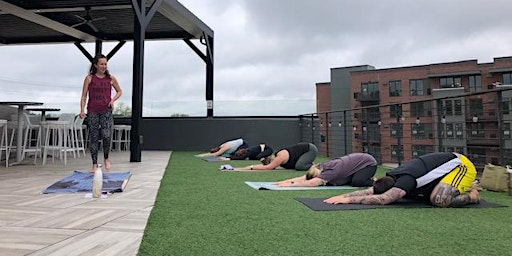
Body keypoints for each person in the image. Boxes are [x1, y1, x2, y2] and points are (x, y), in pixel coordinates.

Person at [323, 152, 481, 207]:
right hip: (442, 172)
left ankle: (472, 194)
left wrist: (349, 201)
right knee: (419, 195)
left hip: (461, 166)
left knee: (439, 200)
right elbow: (373, 190)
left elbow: (384, 198)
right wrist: (344, 196)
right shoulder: (391, 177)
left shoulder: (404, 180)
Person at [79, 54, 122, 173]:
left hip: (106, 110)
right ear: (96, 65)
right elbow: (83, 96)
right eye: (101, 64)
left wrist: (112, 100)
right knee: (93, 137)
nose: (104, 66)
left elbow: (119, 91)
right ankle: (94, 163)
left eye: (105, 64)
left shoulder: (111, 78)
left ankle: (106, 158)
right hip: (92, 110)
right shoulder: (89, 78)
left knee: (106, 135)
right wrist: (82, 110)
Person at [274, 153, 377, 187]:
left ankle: (374, 181)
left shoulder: (331, 172)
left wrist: (290, 185)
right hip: (354, 165)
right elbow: (305, 178)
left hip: (368, 163)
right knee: (347, 180)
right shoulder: (320, 167)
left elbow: (311, 183)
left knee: (357, 182)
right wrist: (283, 182)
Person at [235, 142, 318, 171]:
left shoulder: (280, 157)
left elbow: (268, 168)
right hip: (300, 151)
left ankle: (317, 166)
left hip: (310, 149)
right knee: (296, 166)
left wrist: (250, 167)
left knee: (300, 166)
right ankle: (307, 161)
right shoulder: (277, 157)